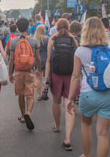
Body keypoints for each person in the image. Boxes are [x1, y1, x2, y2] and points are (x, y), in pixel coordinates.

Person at [66, 3, 110, 157]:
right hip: (108, 95)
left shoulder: (80, 51)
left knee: (86, 125)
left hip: (88, 94)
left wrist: (70, 98)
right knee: (103, 133)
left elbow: (75, 76)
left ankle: (87, 155)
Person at [43, 18, 78, 151]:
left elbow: (48, 61)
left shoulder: (52, 39)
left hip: (56, 75)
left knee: (56, 102)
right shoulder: (74, 40)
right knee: (69, 104)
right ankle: (68, 138)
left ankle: (57, 126)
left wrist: (46, 78)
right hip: (70, 76)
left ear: (56, 27)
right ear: (68, 27)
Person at [9, 18, 41, 130]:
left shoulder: (14, 42)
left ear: (17, 28)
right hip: (30, 71)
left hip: (18, 71)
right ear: (28, 27)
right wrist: (38, 70)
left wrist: (10, 74)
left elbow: (11, 59)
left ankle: (23, 116)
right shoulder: (33, 41)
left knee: (21, 94)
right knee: (30, 94)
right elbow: (38, 58)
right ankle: (28, 112)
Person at [33, 25, 48, 101]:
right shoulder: (46, 39)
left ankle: (39, 95)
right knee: (46, 77)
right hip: (46, 59)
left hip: (37, 60)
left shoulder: (34, 39)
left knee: (38, 78)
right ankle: (45, 91)